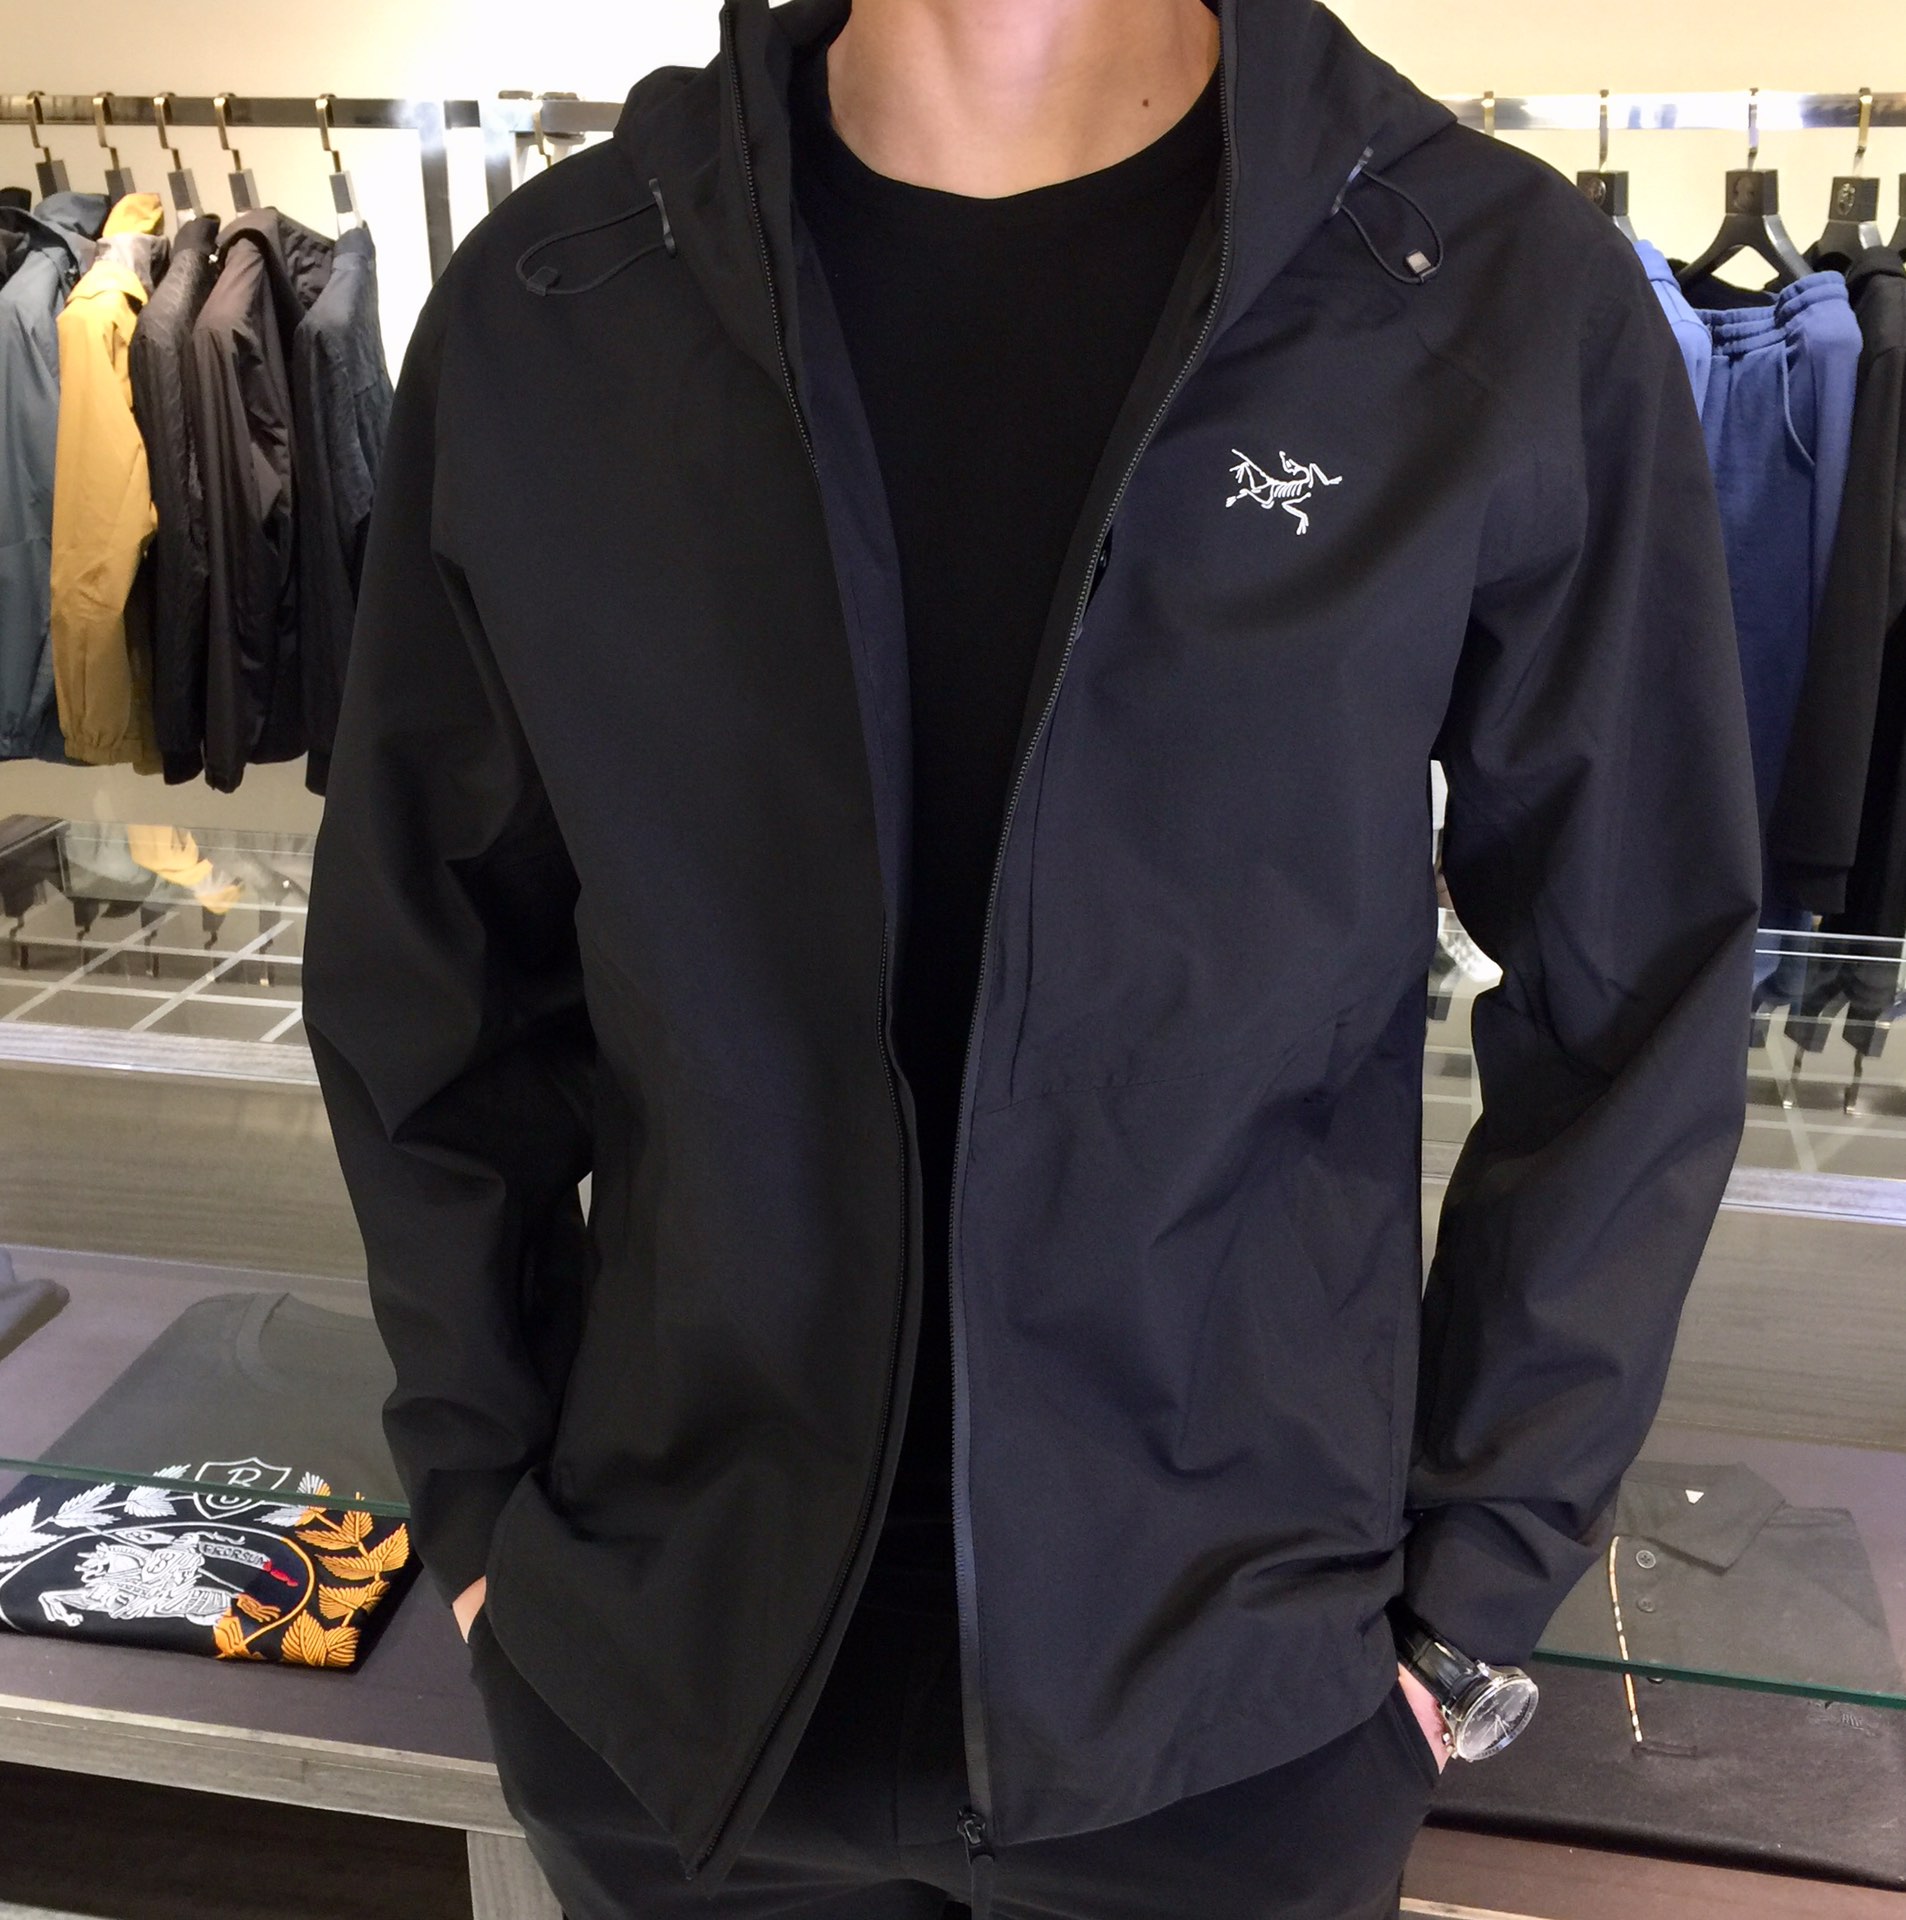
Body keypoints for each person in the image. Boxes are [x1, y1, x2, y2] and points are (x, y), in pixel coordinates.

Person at [301, 0, 1762, 1914]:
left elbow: (1636, 995)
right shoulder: (558, 302)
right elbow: (427, 965)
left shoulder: (1478, 291)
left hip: (1232, 1707)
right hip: (665, 1686)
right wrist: (485, 1503)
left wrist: (1467, 1595)